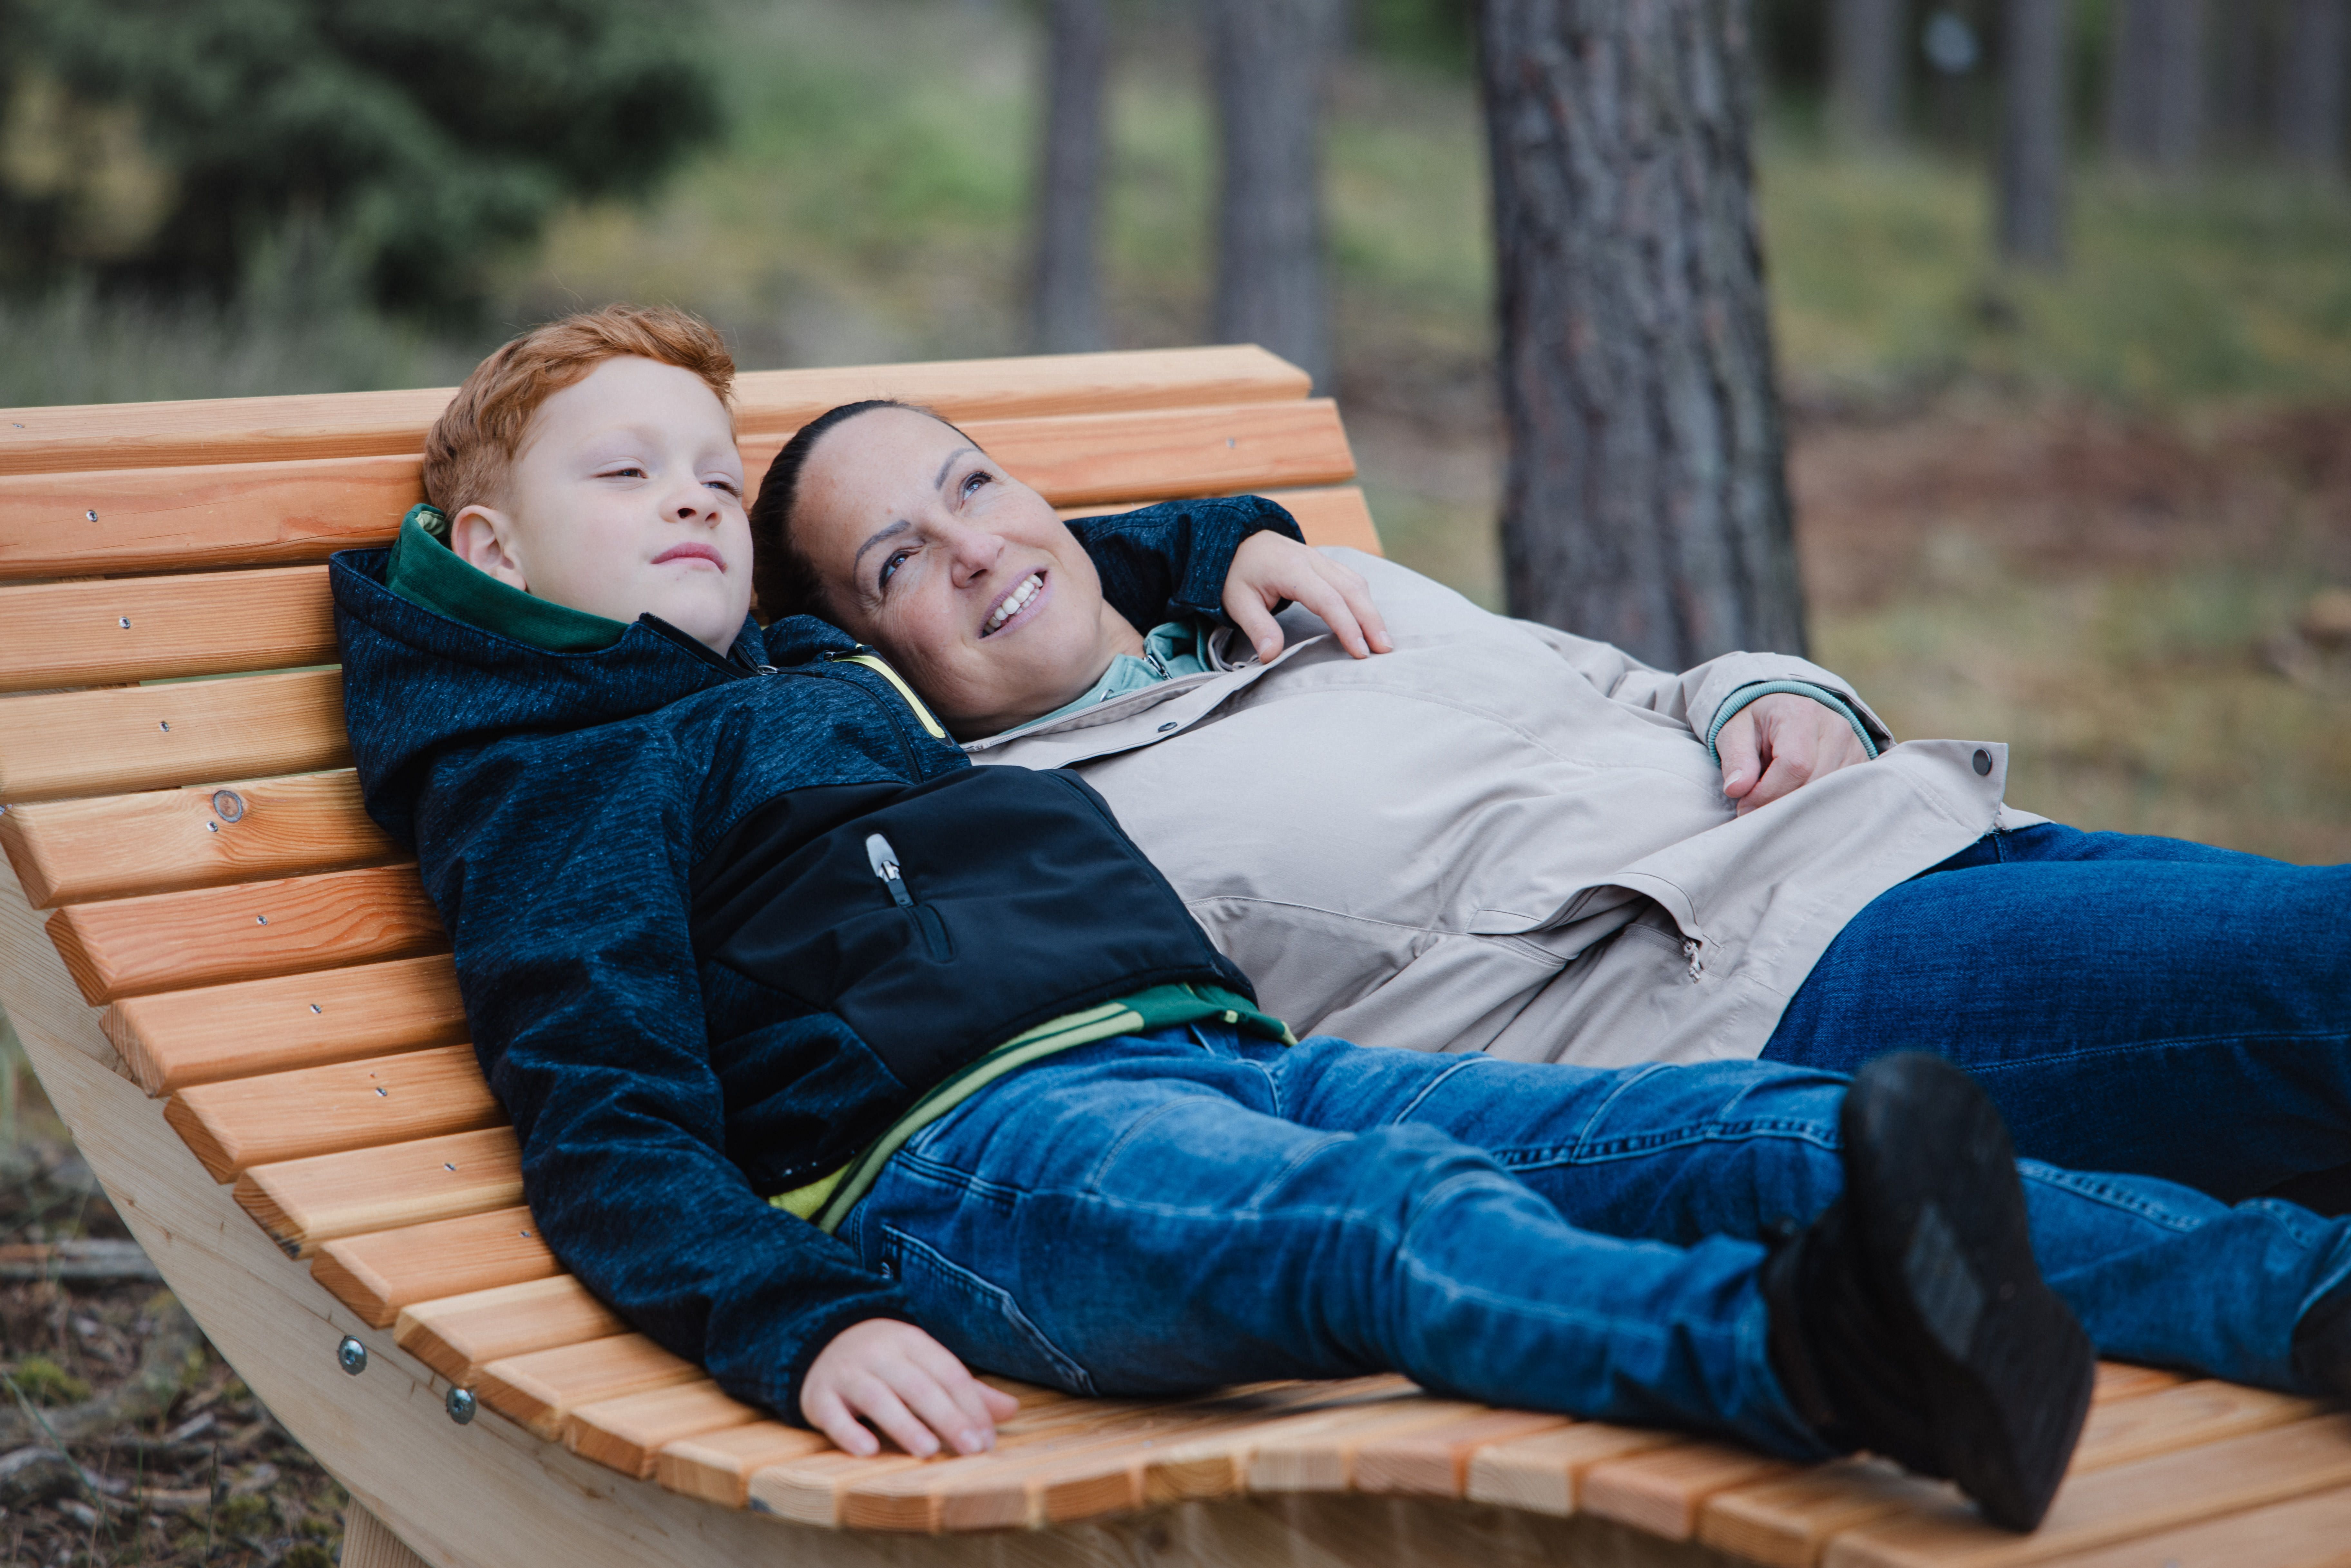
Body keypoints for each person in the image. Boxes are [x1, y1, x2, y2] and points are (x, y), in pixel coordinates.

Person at [333, 305, 2351, 1537]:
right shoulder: (560, 772)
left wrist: (1239, 541)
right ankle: (1812, 1363)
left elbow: (1065, 568)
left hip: (1207, 1051)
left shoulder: (776, 678)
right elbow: (603, 1108)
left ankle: (2294, 1292)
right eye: (633, 474)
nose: (690, 496)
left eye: (707, 464)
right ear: (488, 547)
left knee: (1784, 1136)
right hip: (963, 1163)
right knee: (1384, 1229)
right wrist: (802, 1320)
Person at [750, 400, 2351, 1208]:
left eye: (969, 481)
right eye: (898, 558)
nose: (968, 545)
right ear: (858, 647)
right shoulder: (1020, 836)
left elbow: (1630, 683)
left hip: (1926, 834)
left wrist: (1769, 691)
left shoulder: (1304, 590)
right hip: (1753, 997)